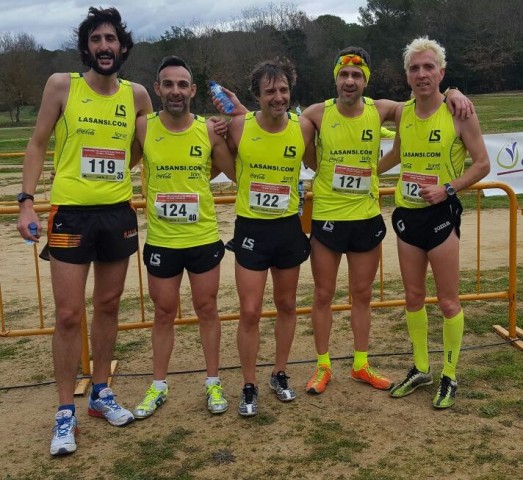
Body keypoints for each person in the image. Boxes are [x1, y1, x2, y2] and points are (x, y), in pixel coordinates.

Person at [17, 7, 153, 456]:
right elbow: (37, 143)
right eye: (96, 39)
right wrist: (25, 202)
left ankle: (100, 393)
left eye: (111, 39)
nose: (104, 46)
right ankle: (63, 412)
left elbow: (144, 147)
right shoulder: (62, 85)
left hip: (116, 213)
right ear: (87, 47)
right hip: (71, 216)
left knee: (109, 305)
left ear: (124, 47)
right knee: (69, 314)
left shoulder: (137, 95)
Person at [301, 47, 473, 396]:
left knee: (362, 294)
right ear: (335, 78)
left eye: (357, 75)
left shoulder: (383, 109)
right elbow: (292, 139)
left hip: (365, 218)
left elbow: (426, 98)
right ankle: (322, 366)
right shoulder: (315, 114)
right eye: (344, 75)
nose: (350, 81)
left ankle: (361, 364)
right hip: (328, 217)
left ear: (366, 80)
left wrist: (453, 91)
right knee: (323, 294)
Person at [378, 36, 490, 408]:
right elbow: (395, 153)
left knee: (447, 301)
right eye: (414, 68)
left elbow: (482, 164)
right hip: (408, 216)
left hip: (442, 216)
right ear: (407, 76)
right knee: (412, 297)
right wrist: (365, 172)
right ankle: (421, 368)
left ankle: (450, 375)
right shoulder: (402, 112)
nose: (422, 74)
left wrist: (448, 189)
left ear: (441, 72)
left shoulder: (459, 111)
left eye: (429, 67)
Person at [132, 56, 235, 418]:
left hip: (202, 236)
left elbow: (237, 170)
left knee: (207, 309)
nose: (175, 91)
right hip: (162, 240)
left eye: (182, 85)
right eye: (168, 84)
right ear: (158, 89)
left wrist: (234, 128)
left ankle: (213, 382)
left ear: (192, 90)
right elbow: (117, 160)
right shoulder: (143, 128)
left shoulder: (208, 130)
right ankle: (158, 385)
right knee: (163, 312)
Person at [225, 59, 315, 416]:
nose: (277, 97)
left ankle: (279, 373)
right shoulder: (236, 127)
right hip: (251, 228)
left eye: (283, 90)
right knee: (249, 311)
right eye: (269, 92)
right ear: (257, 97)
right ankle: (248, 384)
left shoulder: (304, 126)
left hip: (287, 228)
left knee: (287, 305)